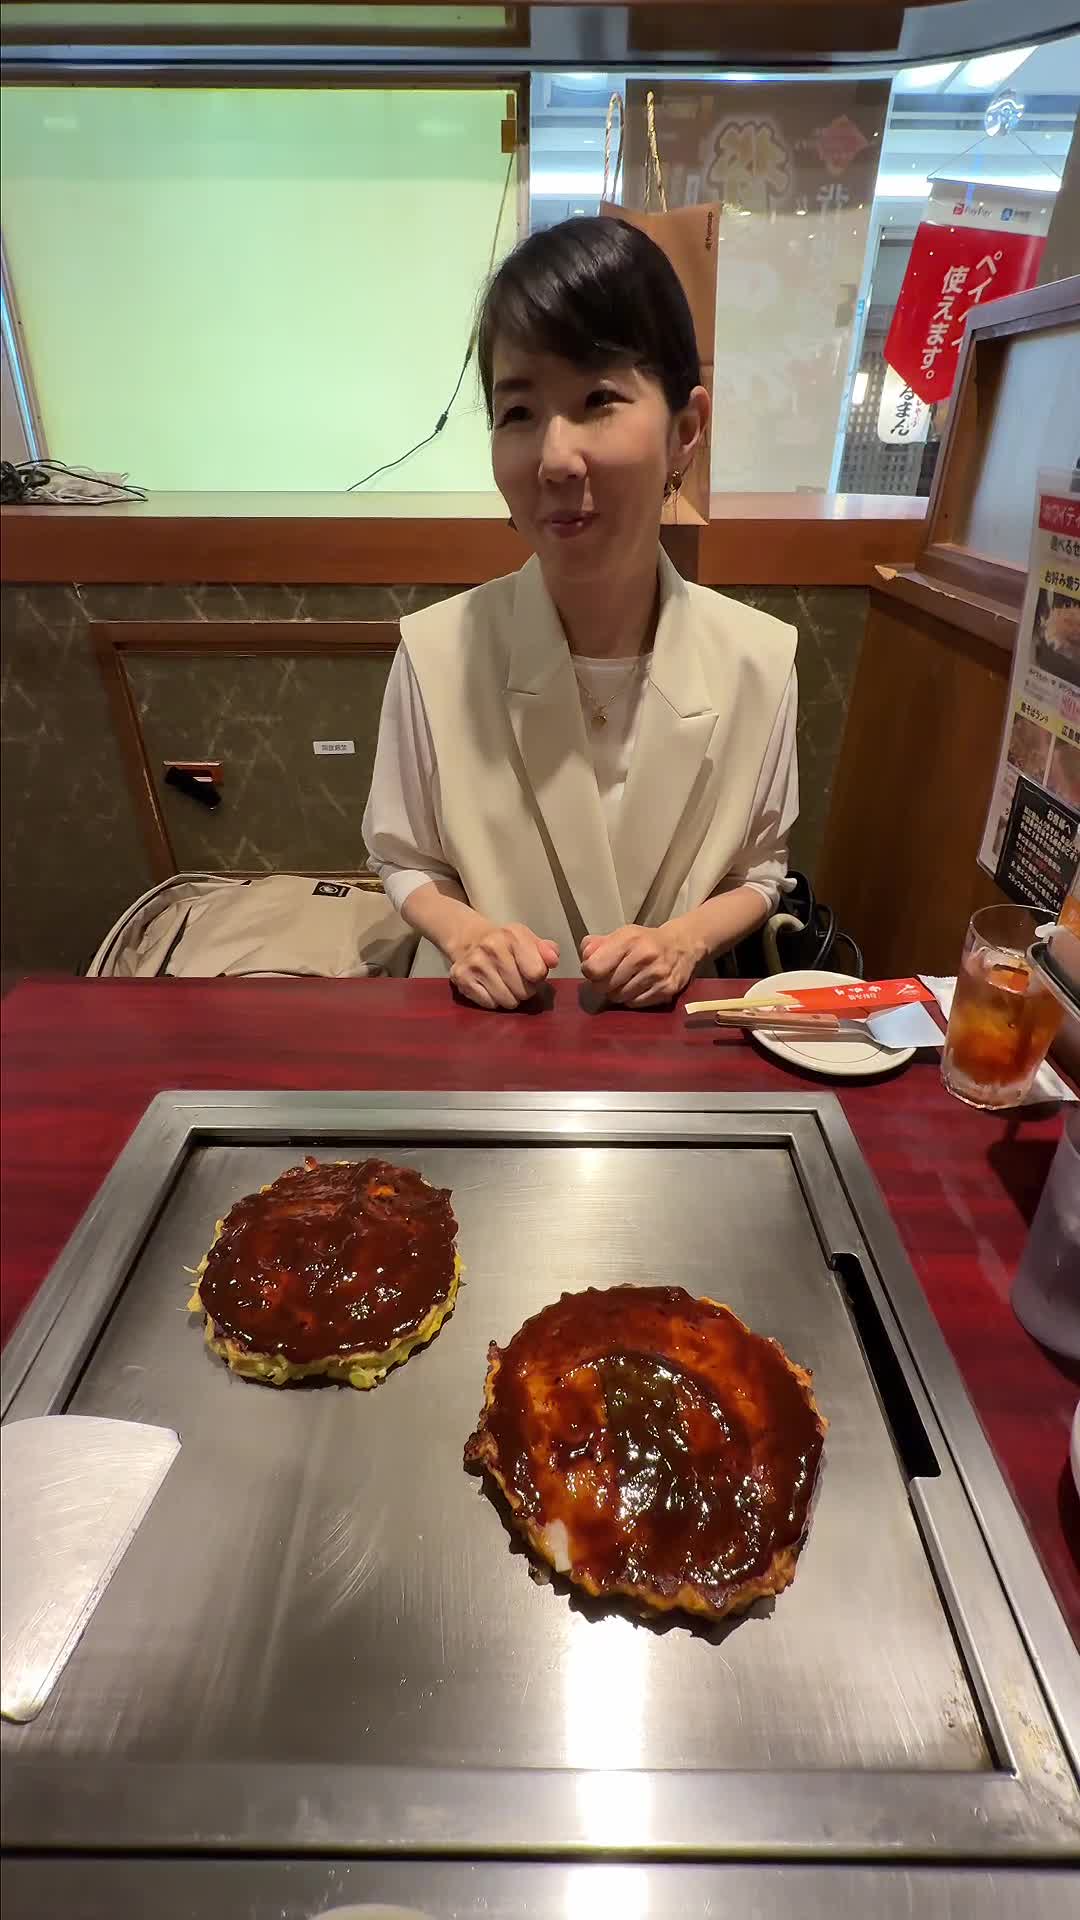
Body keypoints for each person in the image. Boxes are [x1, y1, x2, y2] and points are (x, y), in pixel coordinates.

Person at [363, 215, 797, 1010]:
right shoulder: (435, 651)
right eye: (518, 412)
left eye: (598, 399)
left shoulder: (759, 662)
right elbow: (404, 857)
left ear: (685, 430)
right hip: (479, 1035)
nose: (555, 459)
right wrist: (467, 936)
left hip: (662, 1045)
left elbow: (761, 872)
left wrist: (684, 940)